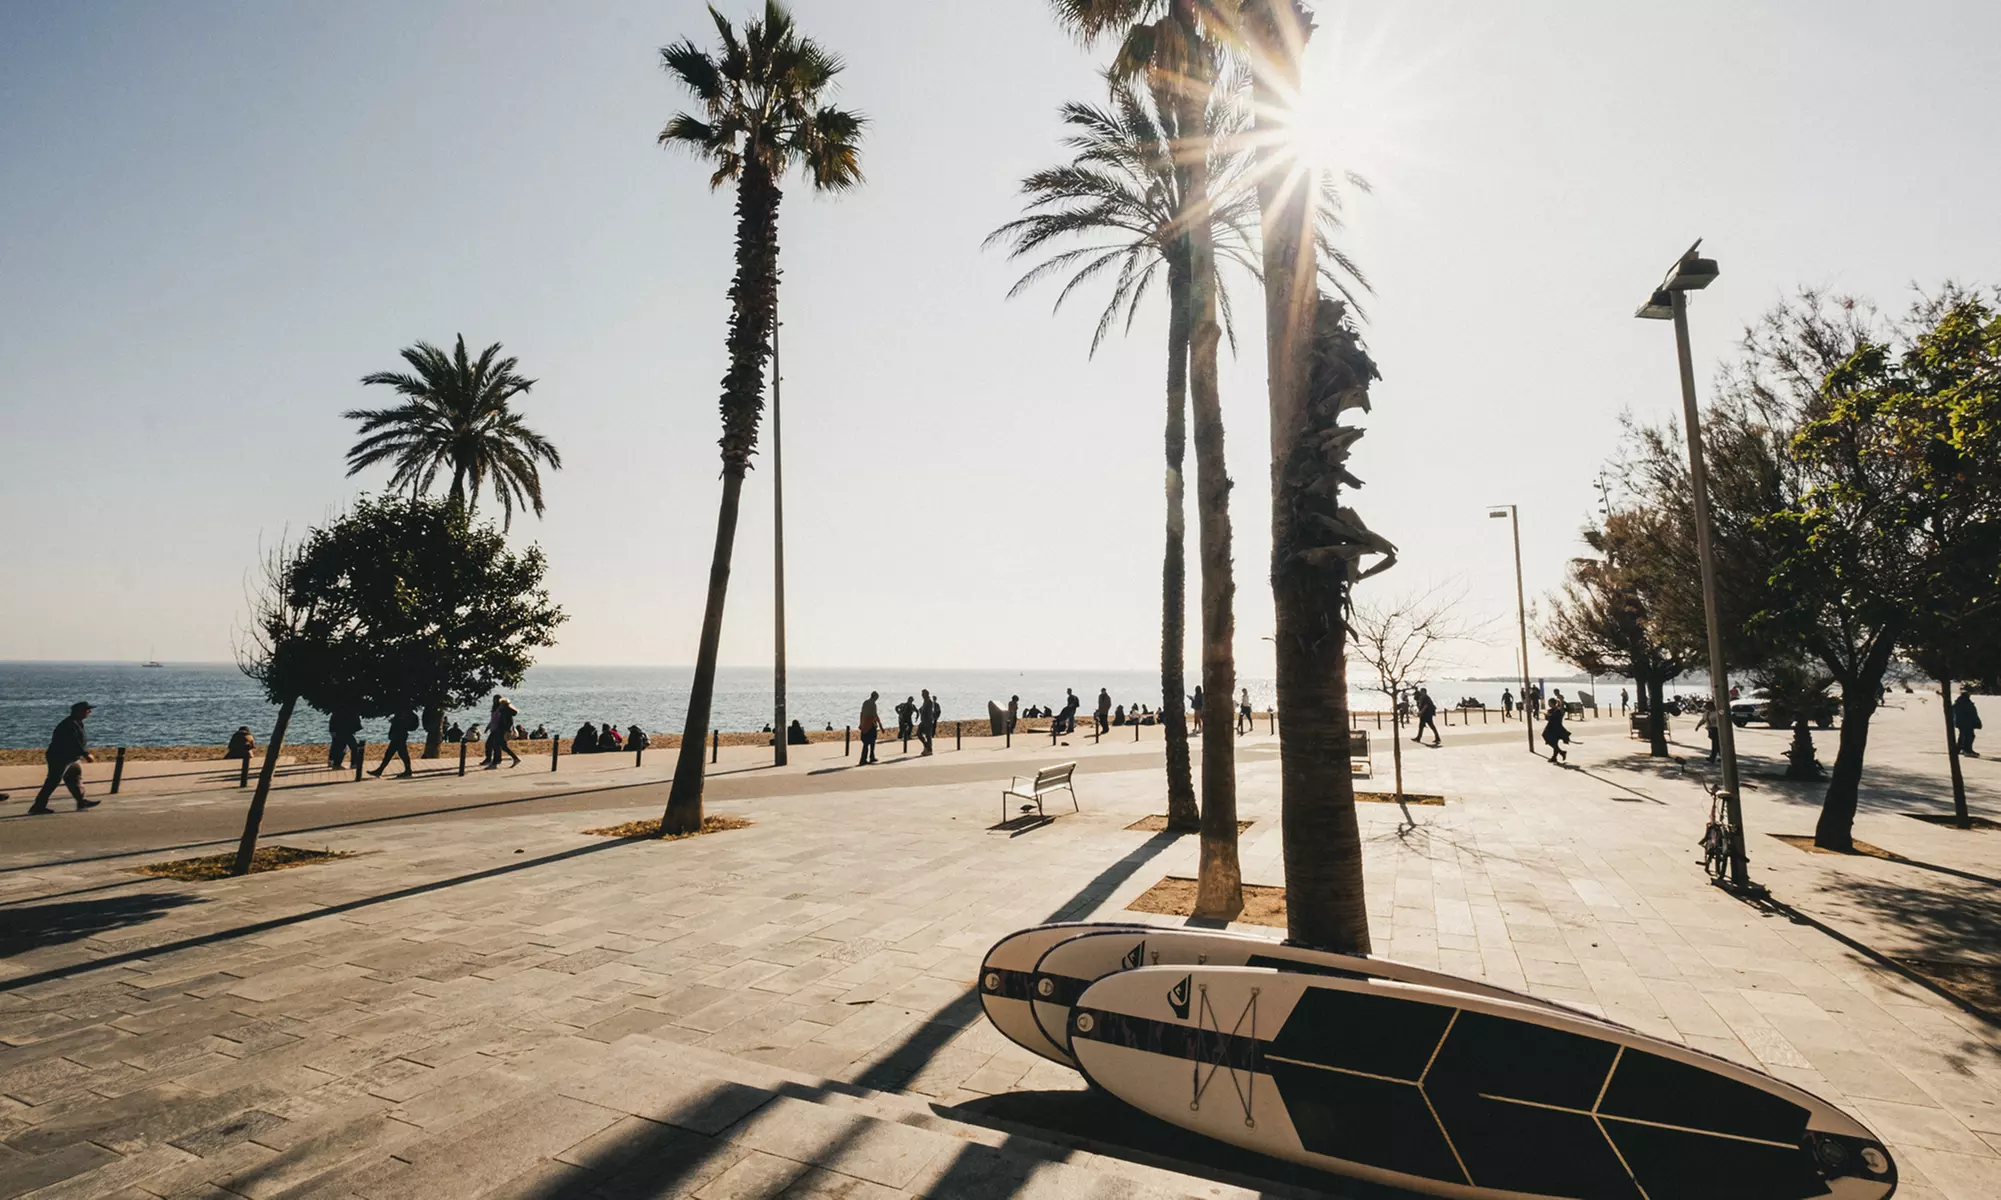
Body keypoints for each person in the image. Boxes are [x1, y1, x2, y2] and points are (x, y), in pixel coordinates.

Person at [29, 701, 100, 814]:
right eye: (87, 710)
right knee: (53, 781)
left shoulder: (77, 722)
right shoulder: (69, 724)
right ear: (79, 711)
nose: (89, 712)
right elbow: (74, 742)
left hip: (71, 758)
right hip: (60, 757)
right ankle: (38, 806)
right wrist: (86, 754)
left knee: (74, 778)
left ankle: (81, 802)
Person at [372, 705, 419, 778]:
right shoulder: (402, 712)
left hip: (400, 735)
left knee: (398, 753)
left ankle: (407, 770)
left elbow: (405, 724)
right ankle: (380, 770)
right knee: (393, 753)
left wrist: (398, 722)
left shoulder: (406, 714)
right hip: (398, 735)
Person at [483, 695, 521, 769]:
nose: (499, 705)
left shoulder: (506, 712)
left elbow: (508, 723)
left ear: (504, 704)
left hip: (501, 731)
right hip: (499, 730)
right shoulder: (503, 711)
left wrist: (506, 730)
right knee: (502, 746)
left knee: (496, 746)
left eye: (501, 704)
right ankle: (515, 759)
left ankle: (494, 763)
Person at [327, 706, 362, 771]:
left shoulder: (339, 711)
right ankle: (353, 763)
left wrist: (332, 731)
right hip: (345, 731)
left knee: (341, 747)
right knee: (353, 747)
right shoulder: (350, 711)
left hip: (341, 731)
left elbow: (333, 721)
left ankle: (336, 763)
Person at [858, 691, 884, 765]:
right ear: (875, 697)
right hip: (870, 725)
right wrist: (879, 725)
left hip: (864, 724)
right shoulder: (873, 704)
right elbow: (874, 715)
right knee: (870, 742)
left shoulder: (865, 703)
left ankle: (870, 757)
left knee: (867, 743)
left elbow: (862, 713)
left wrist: (861, 723)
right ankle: (864, 759)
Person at [1954, 691, 1982, 757]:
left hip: (1965, 722)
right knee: (1969, 736)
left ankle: (1959, 749)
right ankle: (1967, 750)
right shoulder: (1964, 702)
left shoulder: (1961, 702)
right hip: (1966, 723)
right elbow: (1970, 713)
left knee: (1963, 735)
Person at [917, 689, 939, 756]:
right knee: (919, 733)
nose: (922, 695)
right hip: (923, 721)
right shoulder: (925, 701)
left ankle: (929, 750)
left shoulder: (929, 702)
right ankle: (926, 746)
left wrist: (928, 722)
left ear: (926, 694)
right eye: (922, 694)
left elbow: (930, 713)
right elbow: (922, 709)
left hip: (927, 722)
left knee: (928, 736)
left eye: (923, 694)